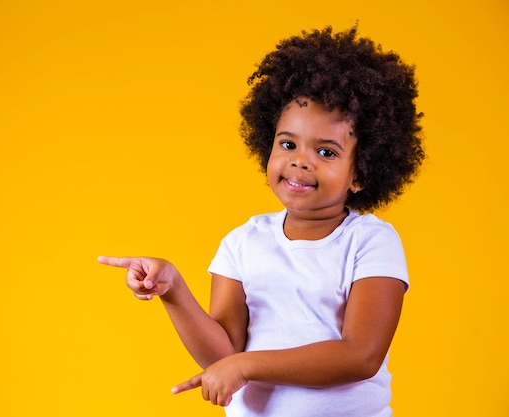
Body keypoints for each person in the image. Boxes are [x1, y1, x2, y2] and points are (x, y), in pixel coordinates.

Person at [98, 25, 424, 417]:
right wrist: (173, 289)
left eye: (326, 151)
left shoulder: (371, 241)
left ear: (361, 173)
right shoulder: (242, 243)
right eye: (288, 144)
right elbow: (223, 355)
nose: (301, 160)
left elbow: (360, 355)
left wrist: (247, 365)